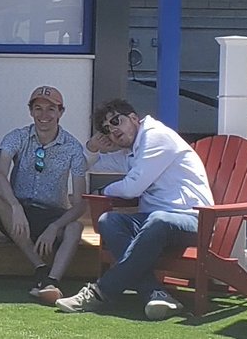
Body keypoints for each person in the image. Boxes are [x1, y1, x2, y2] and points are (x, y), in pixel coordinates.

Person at [56, 99, 213, 320]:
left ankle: (101, 292)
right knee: (108, 221)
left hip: (193, 219)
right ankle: (155, 293)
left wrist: (104, 191)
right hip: (154, 223)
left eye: (115, 121)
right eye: (106, 130)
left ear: (133, 118)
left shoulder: (156, 137)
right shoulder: (133, 152)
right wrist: (92, 147)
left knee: (158, 219)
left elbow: (133, 188)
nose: (113, 130)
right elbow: (90, 165)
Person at [0, 85, 88, 303]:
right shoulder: (17, 136)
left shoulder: (73, 148)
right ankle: (40, 268)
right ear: (31, 111)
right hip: (19, 213)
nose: (44, 115)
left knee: (76, 227)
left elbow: (81, 204)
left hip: (52, 213)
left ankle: (52, 280)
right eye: (38, 108)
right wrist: (15, 207)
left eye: (51, 109)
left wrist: (54, 227)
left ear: (61, 112)